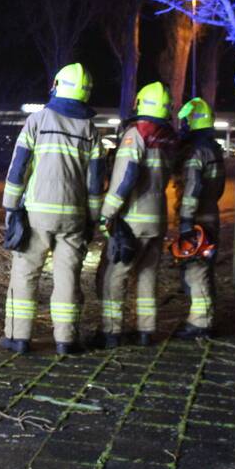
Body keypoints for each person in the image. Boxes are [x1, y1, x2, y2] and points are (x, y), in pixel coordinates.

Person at [0, 63, 104, 355]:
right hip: (74, 215)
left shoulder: (38, 120)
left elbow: (19, 167)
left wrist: (10, 206)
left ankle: (17, 337)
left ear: (58, 86)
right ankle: (66, 340)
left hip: (37, 215)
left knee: (25, 274)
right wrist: (92, 217)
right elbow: (95, 182)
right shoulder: (90, 129)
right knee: (68, 277)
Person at [99, 81, 177, 348]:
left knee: (115, 275)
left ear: (141, 103)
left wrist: (107, 212)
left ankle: (112, 332)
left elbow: (126, 175)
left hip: (134, 219)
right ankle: (146, 331)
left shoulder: (137, 133)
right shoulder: (168, 137)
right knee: (147, 275)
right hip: (158, 219)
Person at [173, 97, 225, 340]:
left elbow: (192, 188)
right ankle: (203, 318)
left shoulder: (197, 152)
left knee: (196, 271)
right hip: (210, 214)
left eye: (185, 121)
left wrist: (185, 222)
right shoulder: (212, 149)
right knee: (204, 268)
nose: (182, 126)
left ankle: (200, 324)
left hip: (197, 219)